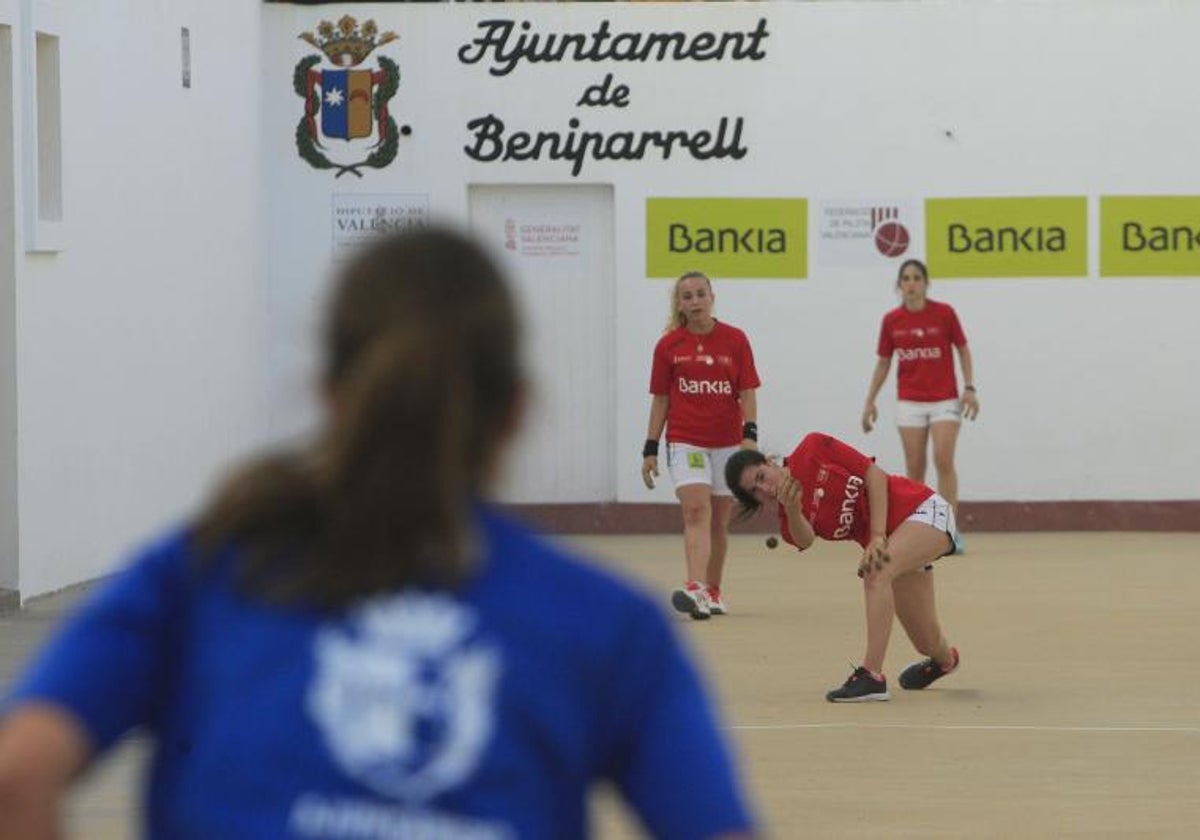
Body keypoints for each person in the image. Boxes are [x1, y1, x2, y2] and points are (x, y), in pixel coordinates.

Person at [0, 229, 756, 839]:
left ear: (329, 391)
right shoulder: (608, 626)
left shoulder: (198, 573)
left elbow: (15, 780)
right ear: (517, 410)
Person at [725, 433, 961, 703]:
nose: (764, 489)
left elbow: (874, 474)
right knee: (926, 643)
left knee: (876, 572)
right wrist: (792, 510)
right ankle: (945, 661)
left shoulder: (812, 448)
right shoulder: (788, 519)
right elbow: (806, 539)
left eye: (760, 477)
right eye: (754, 492)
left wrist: (877, 535)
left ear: (769, 461)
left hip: (922, 510)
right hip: (897, 542)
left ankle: (871, 676)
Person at [642, 271, 761, 620]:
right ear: (679, 304)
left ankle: (713, 590)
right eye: (687, 296)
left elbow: (748, 391)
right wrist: (650, 448)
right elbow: (661, 400)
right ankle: (694, 587)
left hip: (727, 444)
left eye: (700, 294)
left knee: (717, 523)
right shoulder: (668, 346)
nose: (694, 301)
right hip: (685, 440)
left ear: (712, 297)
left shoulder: (735, 340)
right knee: (696, 510)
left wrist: (749, 435)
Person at [860, 259, 979, 531]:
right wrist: (870, 401)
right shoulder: (892, 321)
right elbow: (883, 362)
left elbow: (962, 349)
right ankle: (919, 530)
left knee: (943, 458)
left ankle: (949, 528)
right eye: (906, 278)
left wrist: (969, 388)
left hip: (945, 400)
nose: (911, 283)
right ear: (899, 285)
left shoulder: (945, 313)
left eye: (916, 278)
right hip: (909, 402)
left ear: (926, 283)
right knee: (915, 467)